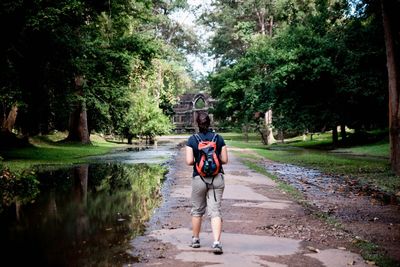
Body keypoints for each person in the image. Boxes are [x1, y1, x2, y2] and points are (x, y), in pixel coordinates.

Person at [185, 111, 228, 254]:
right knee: (215, 211)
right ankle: (216, 243)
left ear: (198, 124)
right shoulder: (218, 138)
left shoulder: (192, 139)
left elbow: (189, 161)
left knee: (197, 211)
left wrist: (200, 160)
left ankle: (195, 240)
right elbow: (225, 160)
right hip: (217, 178)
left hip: (199, 178)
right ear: (210, 123)